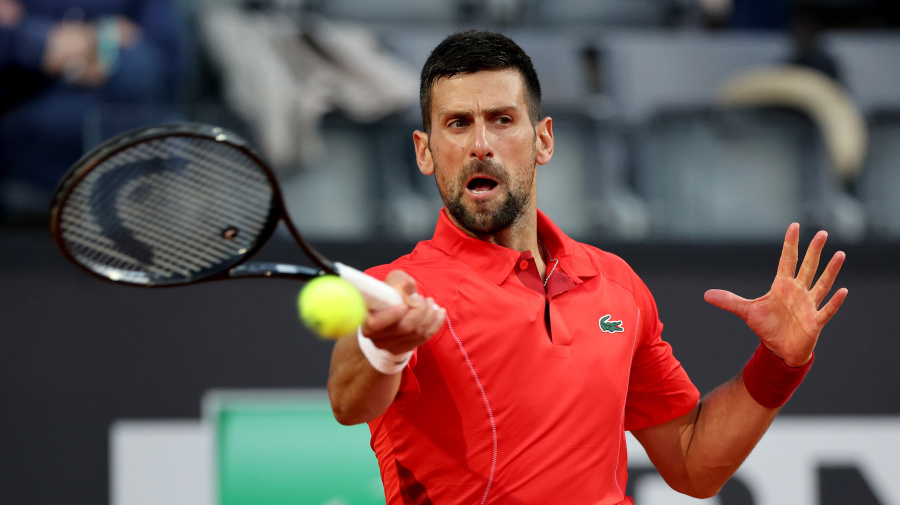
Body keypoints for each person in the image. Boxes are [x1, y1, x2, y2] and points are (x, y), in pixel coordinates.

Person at [327, 30, 848, 504]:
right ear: (425, 151)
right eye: (457, 124)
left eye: (503, 120)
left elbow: (692, 464)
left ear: (544, 140)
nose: (480, 145)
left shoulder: (616, 284)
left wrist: (779, 364)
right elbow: (349, 402)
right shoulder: (398, 292)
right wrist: (384, 345)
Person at [0, 0, 185, 224]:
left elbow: (162, 66)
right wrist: (42, 44)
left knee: (137, 71)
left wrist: (62, 54)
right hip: (21, 174)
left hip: (134, 187)